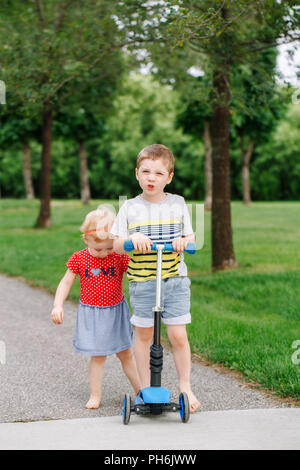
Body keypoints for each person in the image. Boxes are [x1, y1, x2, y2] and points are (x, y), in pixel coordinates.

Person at [111, 144, 200, 413]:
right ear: (137, 173)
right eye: (146, 171)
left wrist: (183, 242)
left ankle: (185, 386)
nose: (152, 178)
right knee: (144, 335)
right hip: (143, 282)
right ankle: (145, 389)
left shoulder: (178, 203)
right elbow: (116, 244)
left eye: (159, 173)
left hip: (174, 280)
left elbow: (192, 239)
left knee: (178, 336)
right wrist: (131, 239)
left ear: (169, 177)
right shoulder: (129, 207)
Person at [51, 205, 141, 409]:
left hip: (116, 311)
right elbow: (66, 282)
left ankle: (141, 391)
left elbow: (136, 274)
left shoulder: (118, 255)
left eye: (109, 247)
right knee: (98, 356)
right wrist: (58, 304)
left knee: (126, 353)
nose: (103, 253)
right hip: (92, 313)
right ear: (86, 240)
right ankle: (95, 395)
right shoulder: (79, 258)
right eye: (98, 249)